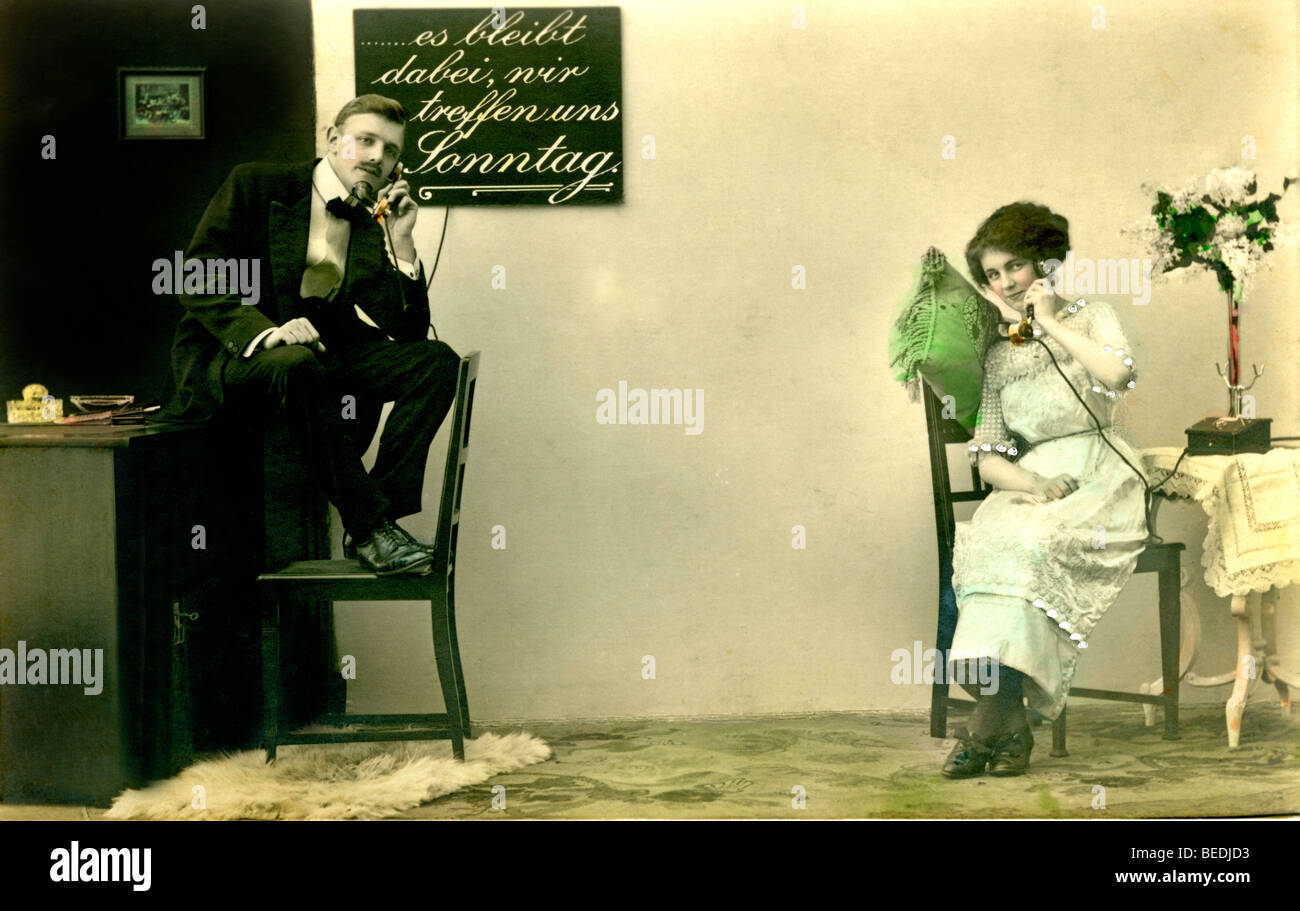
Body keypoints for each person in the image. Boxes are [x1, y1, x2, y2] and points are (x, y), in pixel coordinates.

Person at [162, 94, 460, 575]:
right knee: (294, 361)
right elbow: (195, 275)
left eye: (390, 152)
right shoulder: (258, 184)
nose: (376, 158)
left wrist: (402, 242)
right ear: (332, 140)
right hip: (237, 354)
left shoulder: (371, 218)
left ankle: (376, 521)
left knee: (436, 362)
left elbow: (406, 332)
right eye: (365, 141)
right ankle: (369, 528)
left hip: (318, 358)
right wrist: (269, 332)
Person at [941, 201, 1148, 778]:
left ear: (1045, 264)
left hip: (1101, 470)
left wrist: (1050, 322)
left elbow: (1117, 376)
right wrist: (1033, 482)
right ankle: (1005, 727)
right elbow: (986, 458)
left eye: (1015, 267)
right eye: (993, 276)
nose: (1006, 283)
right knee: (996, 537)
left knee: (1032, 546)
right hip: (1034, 479)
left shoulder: (1092, 315)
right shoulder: (999, 356)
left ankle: (987, 728)